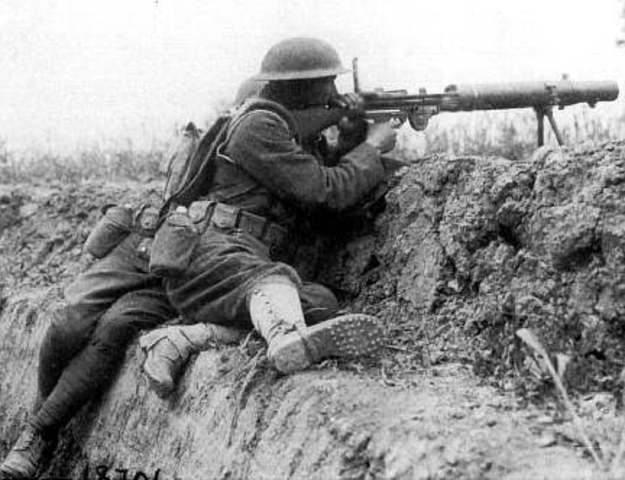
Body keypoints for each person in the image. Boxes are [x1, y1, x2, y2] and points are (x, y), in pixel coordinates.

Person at [0, 78, 270, 480]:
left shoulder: (281, 157)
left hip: (187, 268)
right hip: (148, 245)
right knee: (68, 321)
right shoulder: (215, 142)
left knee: (115, 326)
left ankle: (38, 435)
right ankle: (39, 424)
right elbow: (172, 195)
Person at [154, 36, 398, 380]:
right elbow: (325, 192)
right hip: (213, 254)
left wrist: (349, 137)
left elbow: (323, 183)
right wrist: (372, 148)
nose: (334, 91)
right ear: (298, 86)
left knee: (319, 304)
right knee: (270, 283)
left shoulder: (292, 135)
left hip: (246, 255)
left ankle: (189, 337)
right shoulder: (257, 126)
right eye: (327, 81)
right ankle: (285, 337)